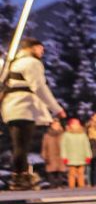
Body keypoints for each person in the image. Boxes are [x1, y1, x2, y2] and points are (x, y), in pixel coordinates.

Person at [1, 38, 66, 189]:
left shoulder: (11, 64)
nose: (42, 52)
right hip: (24, 107)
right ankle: (20, 176)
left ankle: (20, 174)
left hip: (11, 107)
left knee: (19, 144)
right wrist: (56, 108)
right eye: (39, 49)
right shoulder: (31, 63)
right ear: (31, 48)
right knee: (22, 144)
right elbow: (39, 87)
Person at [61, 118, 92, 189]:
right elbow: (63, 146)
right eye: (73, 124)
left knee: (81, 173)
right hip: (70, 158)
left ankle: (81, 187)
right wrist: (64, 157)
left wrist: (88, 156)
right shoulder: (66, 135)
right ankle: (71, 188)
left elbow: (86, 146)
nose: (75, 126)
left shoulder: (83, 135)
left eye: (76, 124)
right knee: (72, 174)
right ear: (70, 125)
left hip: (81, 157)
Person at [40, 120, 66, 188]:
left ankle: (60, 185)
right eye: (55, 125)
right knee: (51, 172)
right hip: (50, 155)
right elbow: (44, 146)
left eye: (58, 125)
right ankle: (53, 186)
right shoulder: (47, 135)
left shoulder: (63, 134)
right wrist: (44, 155)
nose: (57, 126)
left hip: (61, 155)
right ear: (52, 126)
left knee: (61, 172)